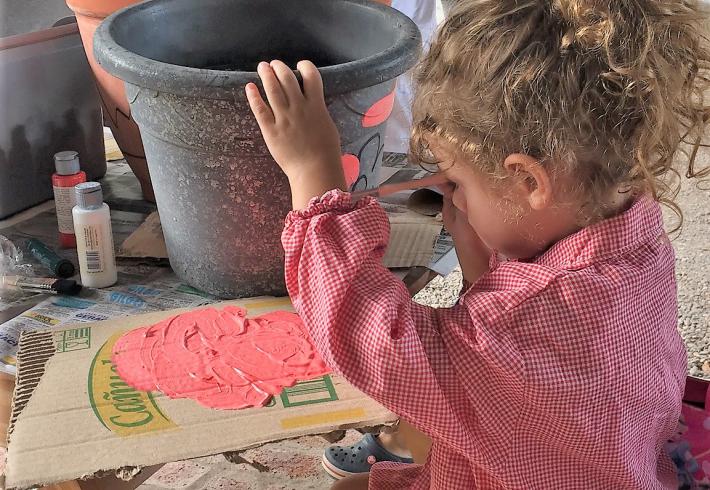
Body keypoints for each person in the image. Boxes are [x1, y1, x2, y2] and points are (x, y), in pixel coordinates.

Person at [245, 0, 709, 487]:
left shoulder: (520, 322)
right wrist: (475, 250)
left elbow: (375, 343)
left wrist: (314, 176)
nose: (455, 198)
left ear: (528, 181)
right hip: (618, 459)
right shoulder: (635, 225)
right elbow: (522, 347)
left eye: (459, 183)